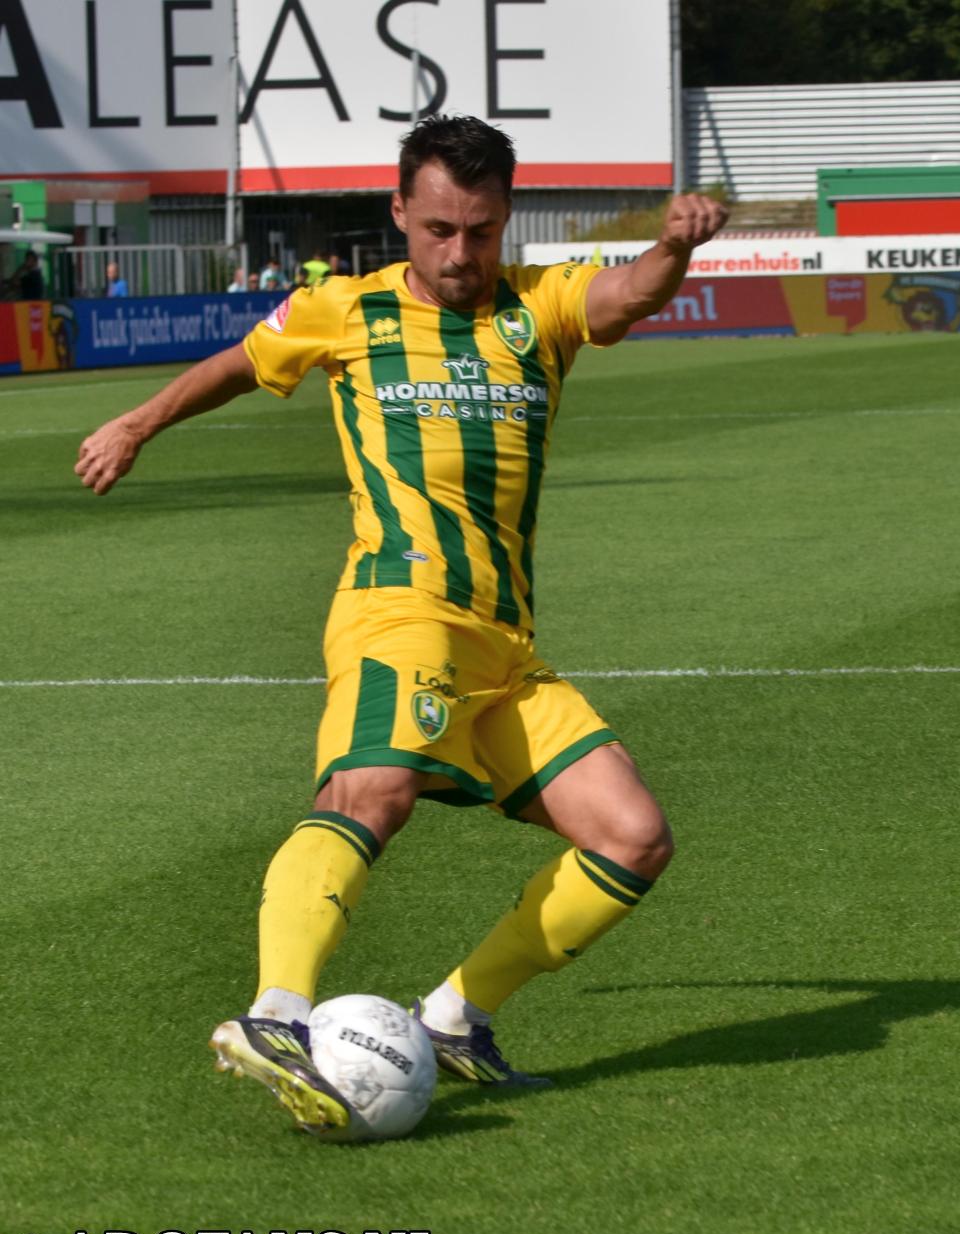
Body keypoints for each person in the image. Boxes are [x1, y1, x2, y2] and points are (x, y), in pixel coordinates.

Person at [72, 114, 730, 1138]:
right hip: (400, 607)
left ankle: (456, 1018)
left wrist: (675, 248)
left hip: (504, 645)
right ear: (398, 215)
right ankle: (274, 1011)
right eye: (437, 229)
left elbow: (627, 293)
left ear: (505, 220)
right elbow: (243, 362)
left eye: (479, 230)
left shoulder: (538, 308)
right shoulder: (346, 311)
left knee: (633, 836)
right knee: (371, 788)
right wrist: (137, 423)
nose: (459, 253)